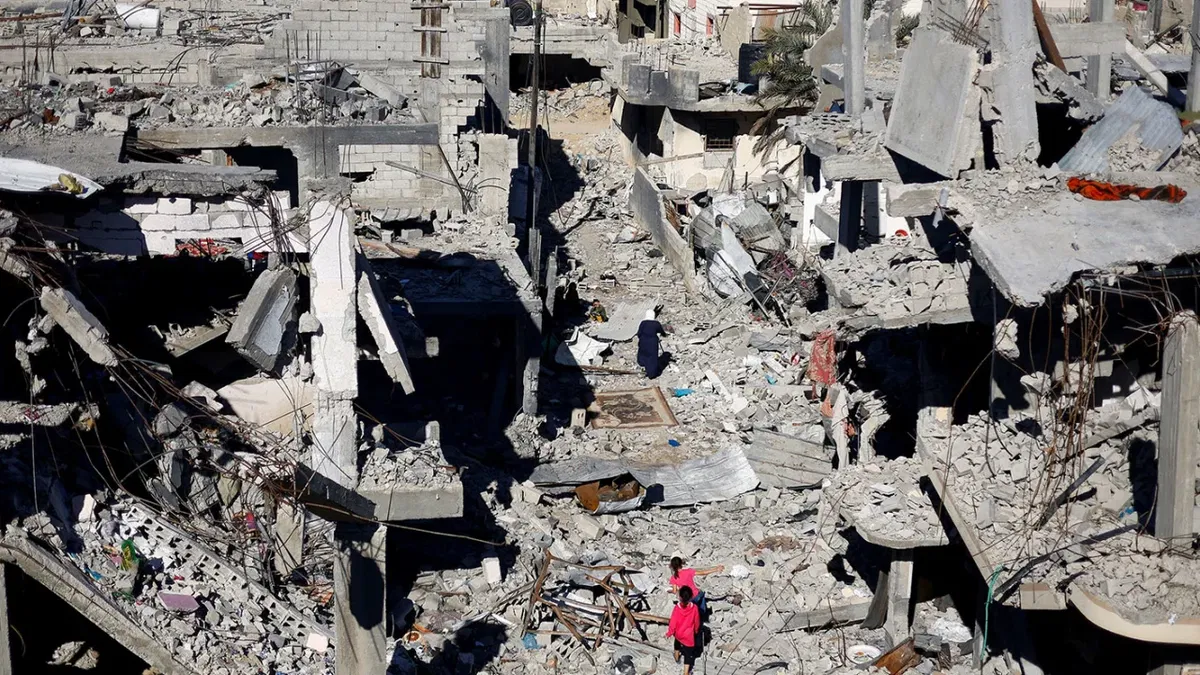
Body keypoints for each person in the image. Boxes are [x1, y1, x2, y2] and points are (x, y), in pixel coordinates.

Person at [666, 586, 701, 675]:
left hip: (678, 632)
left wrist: (669, 632)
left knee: (677, 642)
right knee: (688, 654)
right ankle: (686, 672)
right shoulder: (694, 608)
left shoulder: (677, 608)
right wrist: (696, 630)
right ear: (691, 596)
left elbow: (673, 622)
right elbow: (696, 621)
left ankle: (676, 656)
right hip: (688, 635)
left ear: (680, 597)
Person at [636, 309, 667, 379]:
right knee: (652, 357)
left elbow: (639, 333)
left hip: (643, 341)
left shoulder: (643, 323)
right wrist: (664, 335)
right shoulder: (656, 323)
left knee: (643, 354)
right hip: (652, 342)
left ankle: (643, 367)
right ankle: (652, 373)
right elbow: (662, 331)